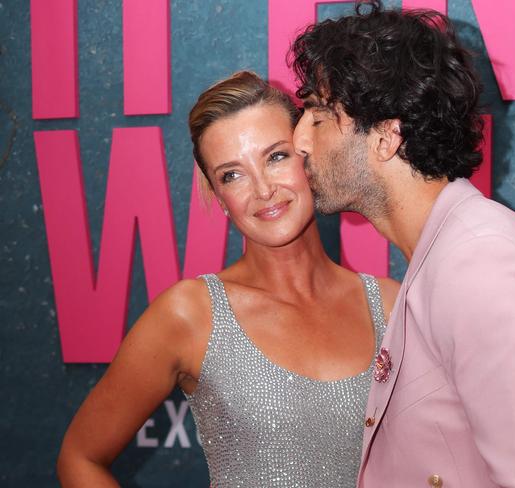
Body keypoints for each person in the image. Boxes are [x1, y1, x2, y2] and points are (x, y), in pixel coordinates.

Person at [290, 2, 515, 487]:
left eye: (316, 114)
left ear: (386, 137)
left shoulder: (486, 268)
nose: (299, 141)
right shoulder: (448, 255)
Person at [56, 71, 400, 487]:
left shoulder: (390, 305)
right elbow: (80, 458)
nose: (262, 190)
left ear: (307, 154)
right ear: (219, 198)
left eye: (276, 156)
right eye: (232, 175)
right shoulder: (191, 314)